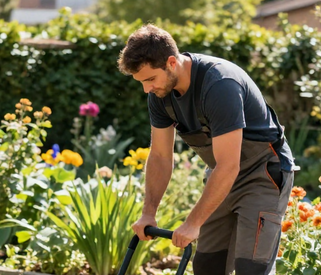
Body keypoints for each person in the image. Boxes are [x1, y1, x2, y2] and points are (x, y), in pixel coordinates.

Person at [116, 24, 295, 275]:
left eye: (150, 79)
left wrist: (192, 223)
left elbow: (229, 165)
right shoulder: (160, 95)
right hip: (221, 175)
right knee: (208, 266)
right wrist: (148, 213)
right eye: (141, 83)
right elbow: (159, 156)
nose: (147, 89)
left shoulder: (220, 84)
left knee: (251, 268)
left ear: (170, 63)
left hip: (262, 174)